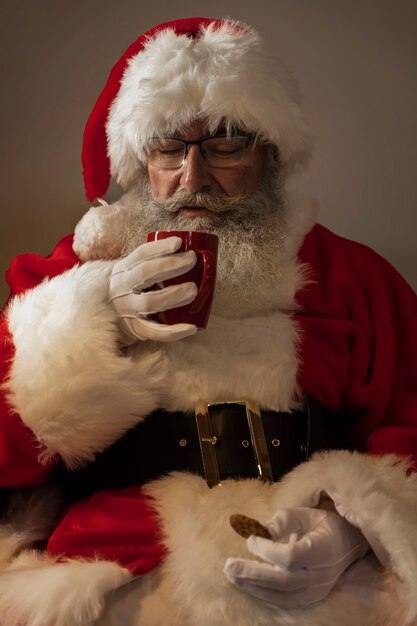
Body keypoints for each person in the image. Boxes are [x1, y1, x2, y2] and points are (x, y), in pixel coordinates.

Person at [0, 15, 417, 626]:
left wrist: (355, 527)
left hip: (313, 581)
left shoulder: (353, 278)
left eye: (224, 146)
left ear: (269, 154)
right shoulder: (64, 274)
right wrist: (86, 317)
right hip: (115, 578)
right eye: (169, 147)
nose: (192, 177)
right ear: (141, 161)